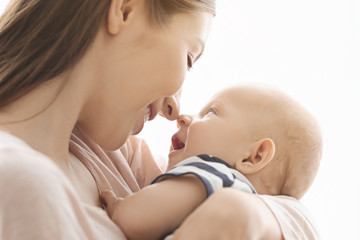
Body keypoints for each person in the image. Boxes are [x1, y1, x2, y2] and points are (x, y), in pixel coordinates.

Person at [0, 0, 319, 239]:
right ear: (125, 9)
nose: (175, 108)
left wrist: (249, 212)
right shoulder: (20, 181)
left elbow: (293, 209)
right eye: (189, 57)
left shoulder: (115, 159)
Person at [101, 83, 323, 240]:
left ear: (253, 157)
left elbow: (136, 220)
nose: (183, 118)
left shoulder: (215, 175)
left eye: (210, 113)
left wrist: (120, 207)